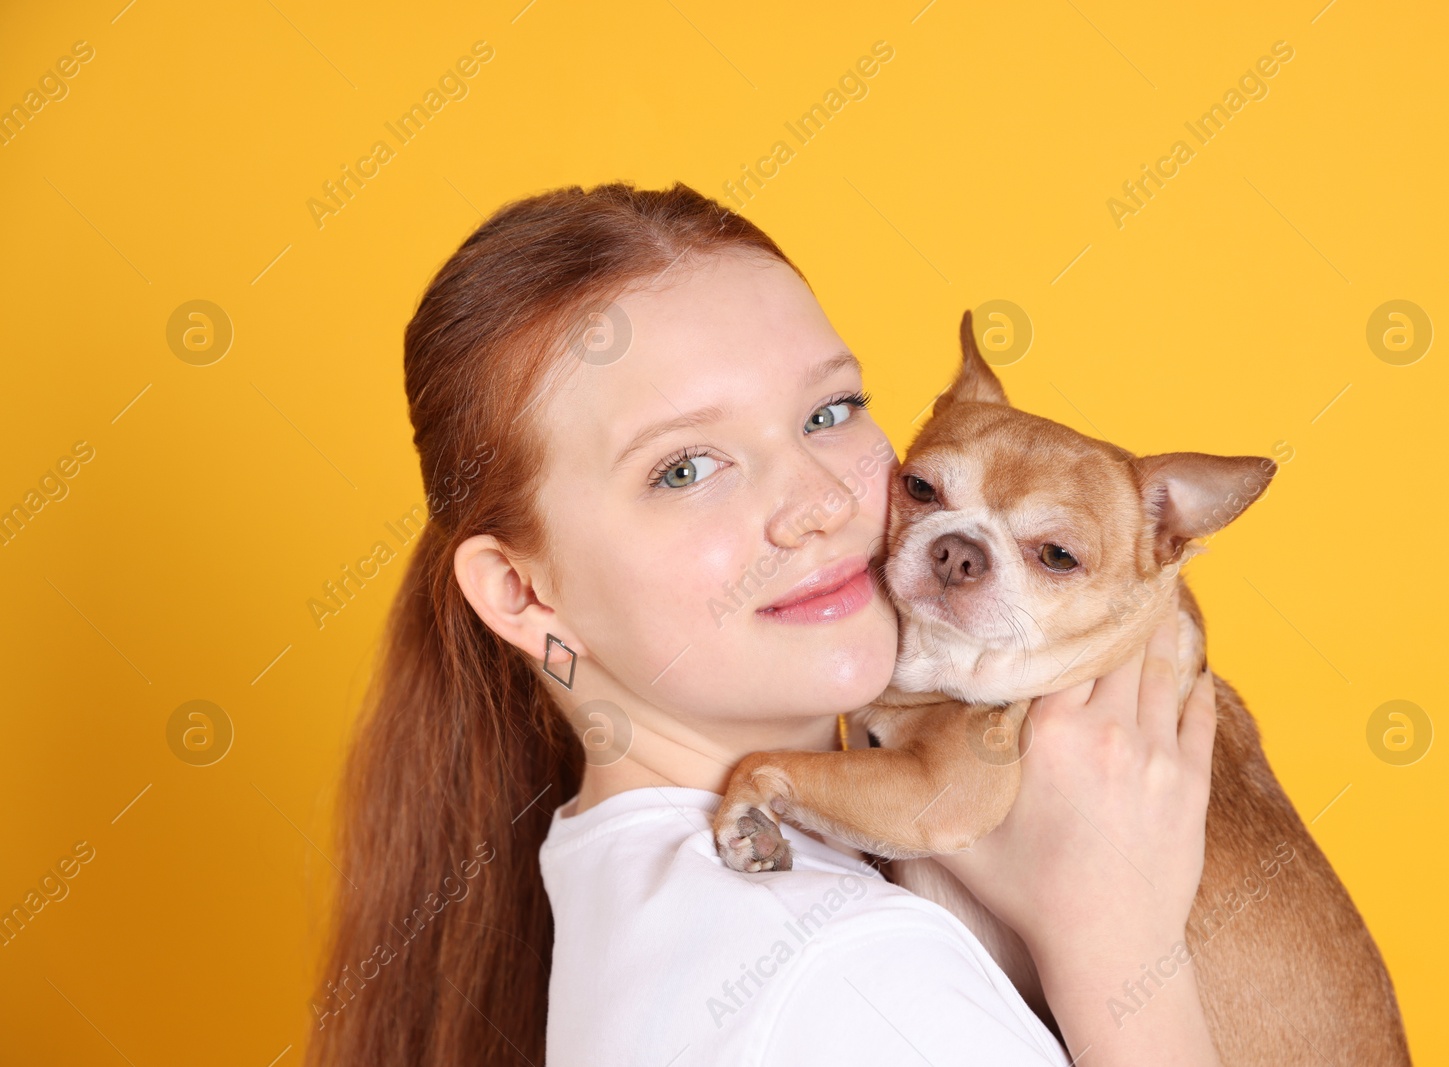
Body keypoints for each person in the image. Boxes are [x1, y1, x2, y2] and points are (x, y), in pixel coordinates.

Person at [305, 181, 1220, 1067]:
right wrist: (1119, 946)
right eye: (686, 468)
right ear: (522, 594)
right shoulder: (849, 980)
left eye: (831, 412)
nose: (821, 501)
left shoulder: (631, 892)